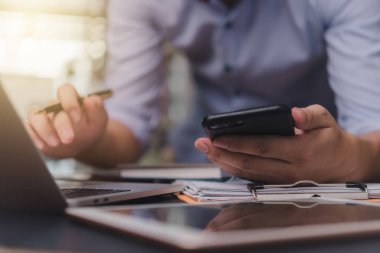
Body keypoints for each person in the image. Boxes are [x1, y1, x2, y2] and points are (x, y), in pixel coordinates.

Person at [26, 0, 380, 183]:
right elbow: (130, 127)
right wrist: (89, 139)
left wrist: (355, 158)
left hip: (322, 177)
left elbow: (372, 125)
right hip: (198, 177)